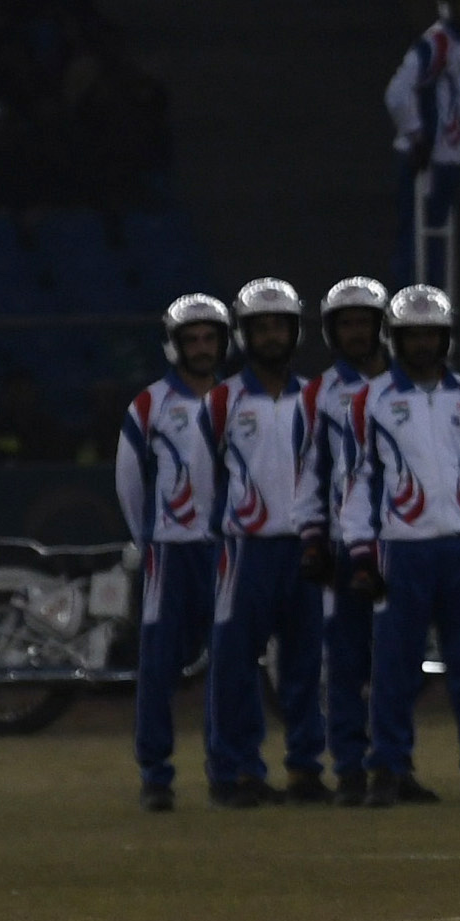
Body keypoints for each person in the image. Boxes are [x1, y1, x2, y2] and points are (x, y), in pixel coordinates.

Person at [346, 283, 460, 805]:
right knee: (394, 669)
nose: (423, 344)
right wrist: (361, 552)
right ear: (396, 338)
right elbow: (359, 480)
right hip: (402, 548)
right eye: (412, 334)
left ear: (446, 338)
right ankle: (388, 770)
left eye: (431, 334)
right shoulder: (373, 399)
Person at [202, 279, 324, 806]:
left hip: (307, 549)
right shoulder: (221, 400)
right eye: (261, 326)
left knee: (305, 665)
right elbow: (199, 479)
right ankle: (236, 773)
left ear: (296, 331)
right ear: (243, 334)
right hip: (246, 548)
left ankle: (305, 770)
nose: (272, 335)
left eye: (280, 325)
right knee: (234, 664)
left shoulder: (320, 400)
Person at [113, 294, 232, 813]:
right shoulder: (150, 404)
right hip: (171, 552)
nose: (202, 347)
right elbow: (127, 480)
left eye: (210, 338)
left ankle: (226, 770)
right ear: (174, 344)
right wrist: (150, 539)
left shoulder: (239, 400)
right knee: (159, 666)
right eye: (192, 339)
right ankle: (156, 774)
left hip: (228, 550)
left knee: (228, 665)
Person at [300, 276, 393, 796]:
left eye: (365, 322)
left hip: (407, 538)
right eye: (348, 323)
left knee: (397, 662)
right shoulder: (320, 393)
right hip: (344, 541)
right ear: (332, 331)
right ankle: (351, 767)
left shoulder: (410, 384)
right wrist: (312, 536)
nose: (358, 332)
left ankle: (392, 764)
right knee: (345, 659)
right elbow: (309, 470)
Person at [384, 0, 460, 290]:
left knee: (437, 237)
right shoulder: (438, 43)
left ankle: (438, 304)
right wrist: (416, 135)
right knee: (416, 238)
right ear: (448, 3)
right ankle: (411, 305)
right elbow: (398, 92)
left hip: (449, 156)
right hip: (426, 155)